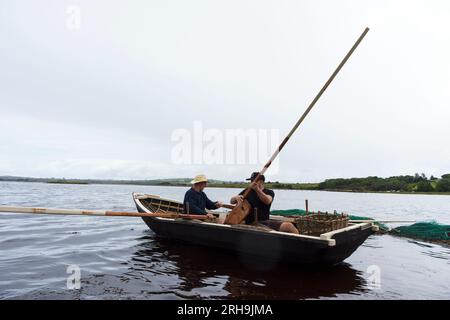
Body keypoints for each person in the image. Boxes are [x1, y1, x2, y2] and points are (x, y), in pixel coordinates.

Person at [230, 172, 299, 234]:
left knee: (289, 226)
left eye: (253, 180)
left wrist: (257, 190)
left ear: (261, 182)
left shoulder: (269, 192)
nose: (251, 182)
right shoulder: (247, 191)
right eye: (251, 181)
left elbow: (267, 201)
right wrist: (235, 197)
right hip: (249, 222)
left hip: (264, 221)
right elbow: (232, 201)